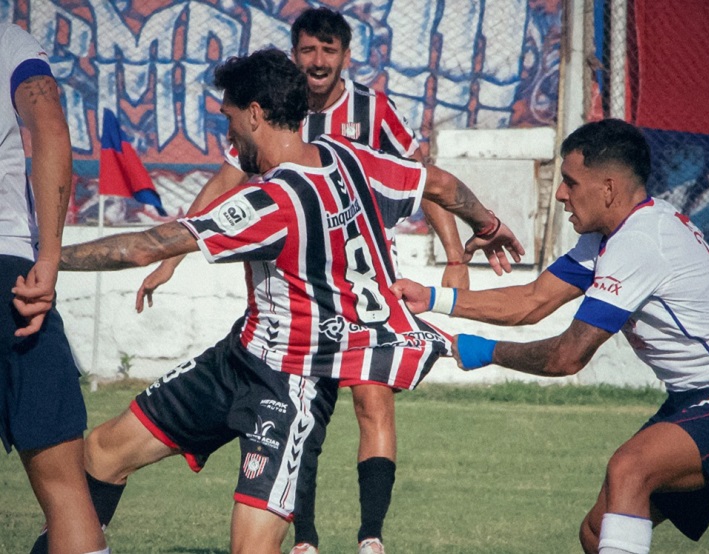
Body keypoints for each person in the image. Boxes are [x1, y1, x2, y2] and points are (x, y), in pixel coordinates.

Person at [47, 48, 523, 554]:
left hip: (292, 381)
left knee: (251, 548)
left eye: (229, 121)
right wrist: (488, 226)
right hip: (237, 358)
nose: (227, 137)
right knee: (100, 454)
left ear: (254, 114)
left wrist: (44, 258)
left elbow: (147, 246)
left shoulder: (273, 203)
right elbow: (442, 184)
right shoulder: (350, 158)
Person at [129, 9, 468, 554]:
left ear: (344, 57)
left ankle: (370, 536)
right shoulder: (277, 114)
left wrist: (454, 252)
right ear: (295, 56)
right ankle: (304, 538)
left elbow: (424, 175)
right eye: (307, 50)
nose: (317, 61)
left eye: (328, 51)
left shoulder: (370, 109)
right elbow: (228, 177)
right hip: (296, 295)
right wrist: (172, 258)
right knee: (300, 406)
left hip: (359, 286)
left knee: (370, 401)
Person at [392, 119, 709, 554]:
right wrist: (431, 297)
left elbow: (567, 356)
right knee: (596, 533)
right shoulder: (610, 237)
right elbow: (532, 300)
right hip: (698, 401)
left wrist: (487, 351)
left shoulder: (641, 241)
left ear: (608, 188)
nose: (561, 193)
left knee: (629, 468)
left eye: (570, 181)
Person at [0, 22, 109, 554]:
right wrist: (48, 257)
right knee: (67, 491)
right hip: (11, 278)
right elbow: (50, 126)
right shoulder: (10, 43)